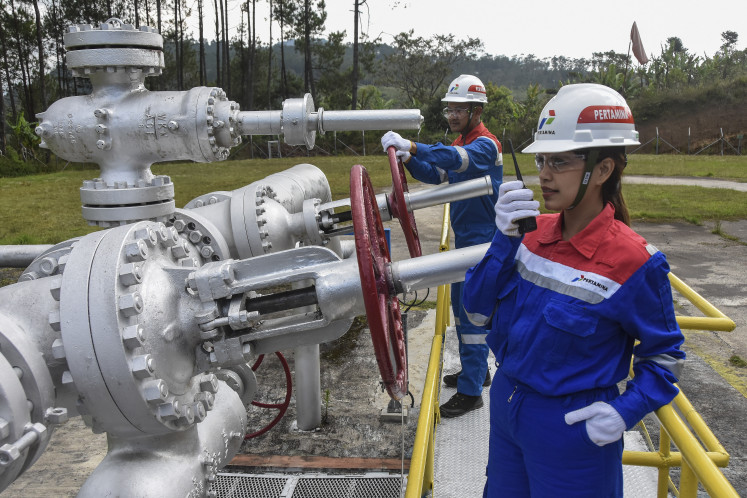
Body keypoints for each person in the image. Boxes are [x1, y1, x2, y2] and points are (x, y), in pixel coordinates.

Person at [462, 83, 686, 496]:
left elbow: (667, 358)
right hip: (508, 407)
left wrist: (624, 413)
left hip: (572, 429)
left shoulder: (634, 261)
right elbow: (474, 312)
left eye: (559, 162)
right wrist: (502, 241)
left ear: (602, 170)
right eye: (542, 160)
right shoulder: (528, 235)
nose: (544, 174)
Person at [381, 74, 503, 418]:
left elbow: (453, 160)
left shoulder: (485, 145)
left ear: (477, 110)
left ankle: (471, 392)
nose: (451, 115)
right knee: (463, 313)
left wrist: (416, 145)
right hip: (467, 239)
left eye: (458, 109)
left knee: (471, 317)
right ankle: (477, 372)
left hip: (482, 241)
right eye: (449, 109)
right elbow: (437, 174)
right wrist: (408, 158)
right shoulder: (464, 142)